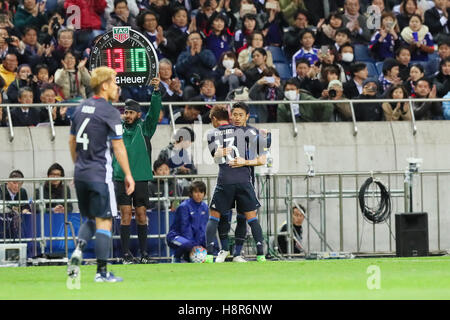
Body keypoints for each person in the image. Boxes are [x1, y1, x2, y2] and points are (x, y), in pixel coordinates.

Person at [67, 66, 135, 283]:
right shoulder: (110, 112)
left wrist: (79, 164)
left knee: (89, 218)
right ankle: (102, 273)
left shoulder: (80, 107)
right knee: (105, 221)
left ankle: (78, 250)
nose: (117, 86)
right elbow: (119, 147)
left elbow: (71, 141)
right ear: (104, 85)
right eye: (115, 82)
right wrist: (128, 174)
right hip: (99, 174)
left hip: (80, 174)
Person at [205, 104, 267, 263]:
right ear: (230, 115)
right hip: (234, 179)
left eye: (241, 115)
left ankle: (237, 254)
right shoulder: (238, 132)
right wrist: (217, 154)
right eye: (235, 114)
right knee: (225, 216)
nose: (237, 117)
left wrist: (244, 161)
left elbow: (263, 158)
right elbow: (217, 157)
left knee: (242, 218)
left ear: (247, 116)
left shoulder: (252, 132)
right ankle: (224, 250)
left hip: (245, 179)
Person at [112, 79, 161, 265]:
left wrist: (156, 91)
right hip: (121, 178)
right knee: (125, 215)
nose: (127, 115)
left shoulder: (145, 128)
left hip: (140, 178)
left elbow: (154, 113)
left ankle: (144, 254)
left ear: (138, 114)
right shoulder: (117, 128)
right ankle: (125, 255)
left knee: (141, 215)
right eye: (125, 112)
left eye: (131, 112)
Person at [166, 180, 209, 263]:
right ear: (191, 193)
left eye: (201, 192)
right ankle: (176, 257)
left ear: (204, 193)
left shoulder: (205, 207)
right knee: (188, 244)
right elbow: (185, 228)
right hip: (175, 236)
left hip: (191, 239)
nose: (198, 195)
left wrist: (202, 245)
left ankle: (188, 258)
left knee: (207, 245)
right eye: (196, 192)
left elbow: (203, 228)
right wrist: (194, 246)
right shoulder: (184, 206)